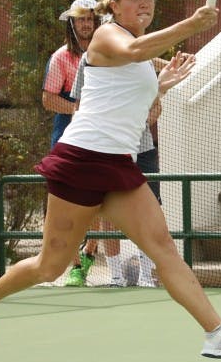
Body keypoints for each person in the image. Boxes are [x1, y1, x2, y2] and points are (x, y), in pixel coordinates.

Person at [0, 0, 221, 359]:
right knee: (50, 266)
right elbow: (134, 55)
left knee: (164, 249)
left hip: (119, 166)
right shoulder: (108, 35)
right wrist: (192, 24)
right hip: (81, 161)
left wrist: (162, 86)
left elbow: (127, 104)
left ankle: (218, 334)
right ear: (114, 4)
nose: (144, 4)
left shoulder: (137, 50)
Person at [72, 50, 194, 287]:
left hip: (143, 148)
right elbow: (79, 106)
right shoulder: (90, 59)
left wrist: (141, 118)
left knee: (149, 211)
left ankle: (147, 276)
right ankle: (116, 276)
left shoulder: (144, 58)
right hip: (106, 149)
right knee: (107, 211)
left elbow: (156, 106)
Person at [42, 0, 101, 287]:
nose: (85, 23)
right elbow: (48, 99)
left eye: (90, 18)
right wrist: (79, 109)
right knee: (69, 205)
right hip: (68, 138)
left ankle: (90, 252)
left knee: (100, 202)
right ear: (72, 23)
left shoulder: (108, 51)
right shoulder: (60, 58)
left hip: (102, 139)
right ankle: (76, 266)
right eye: (80, 19)